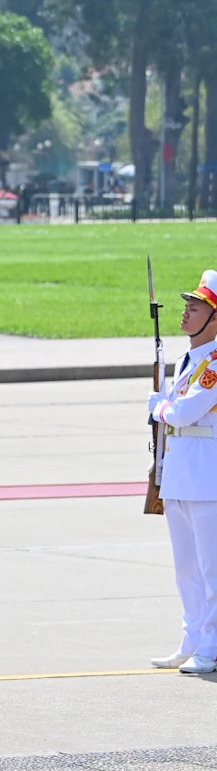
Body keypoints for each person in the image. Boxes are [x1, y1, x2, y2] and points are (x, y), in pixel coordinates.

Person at [150, 269, 217, 674]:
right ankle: (192, 637)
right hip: (179, 472)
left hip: (207, 476)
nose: (185, 314)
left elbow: (182, 411)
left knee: (212, 567)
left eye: (195, 308)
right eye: (187, 307)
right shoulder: (186, 359)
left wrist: (156, 407)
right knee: (186, 568)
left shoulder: (213, 365)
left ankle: (210, 645)